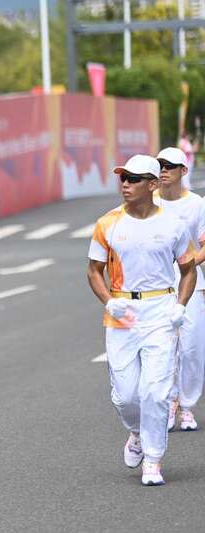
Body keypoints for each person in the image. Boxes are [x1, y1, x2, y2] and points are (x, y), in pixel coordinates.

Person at [87, 154, 196, 487]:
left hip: (160, 311)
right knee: (126, 396)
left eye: (133, 179)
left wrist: (180, 305)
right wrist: (110, 302)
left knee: (156, 392)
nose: (125, 184)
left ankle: (153, 459)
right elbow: (94, 270)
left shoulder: (173, 225)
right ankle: (136, 431)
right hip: (122, 313)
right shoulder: (107, 224)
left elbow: (188, 270)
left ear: (152, 185)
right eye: (123, 178)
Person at [155, 147, 205, 431]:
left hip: (191, 281)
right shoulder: (149, 201)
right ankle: (170, 401)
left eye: (169, 166)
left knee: (191, 347)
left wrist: (186, 266)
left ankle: (187, 406)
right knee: (164, 346)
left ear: (183, 170)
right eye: (160, 165)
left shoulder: (197, 204)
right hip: (157, 284)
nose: (163, 170)